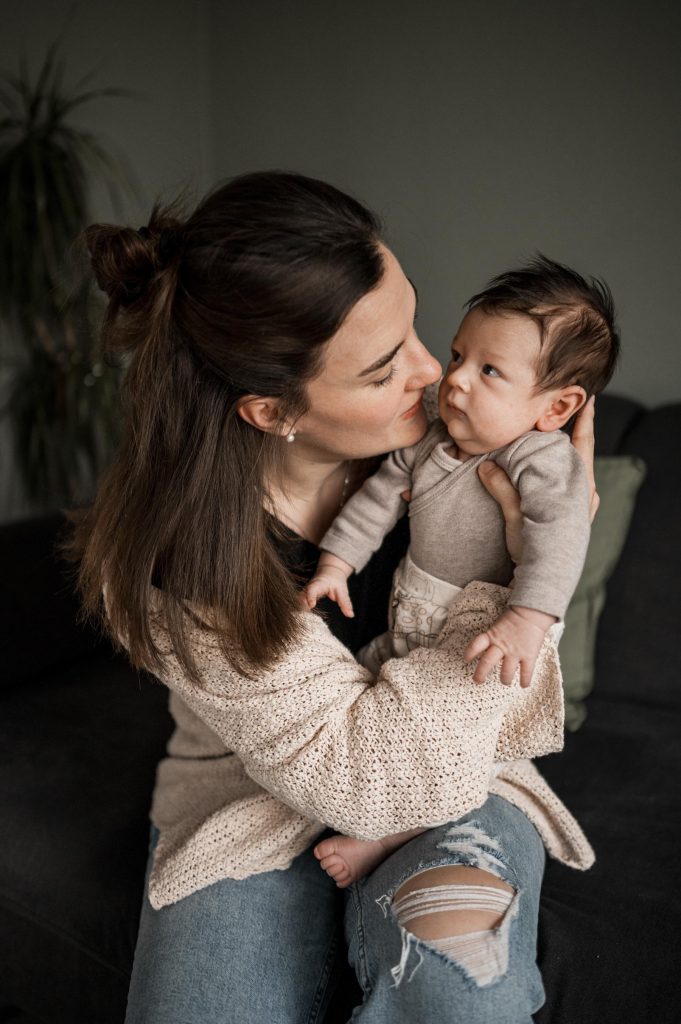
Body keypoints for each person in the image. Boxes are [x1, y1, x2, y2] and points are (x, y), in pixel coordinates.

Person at [69, 171, 598, 1024]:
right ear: (271, 410)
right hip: (249, 795)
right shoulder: (182, 564)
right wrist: (499, 587)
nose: (435, 372)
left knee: (458, 981)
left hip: (464, 774)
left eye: (416, 328)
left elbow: (530, 626)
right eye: (385, 366)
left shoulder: (459, 445)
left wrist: (546, 560)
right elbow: (361, 778)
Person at [306, 256, 619, 888]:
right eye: (458, 357)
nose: (456, 382)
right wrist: (337, 562)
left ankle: (393, 831)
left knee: (452, 744)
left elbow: (560, 536)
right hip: (413, 619)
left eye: (490, 371)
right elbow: (375, 501)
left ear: (557, 407)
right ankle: (373, 799)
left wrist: (526, 620)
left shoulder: (541, 457)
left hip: (484, 640)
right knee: (382, 711)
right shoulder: (432, 439)